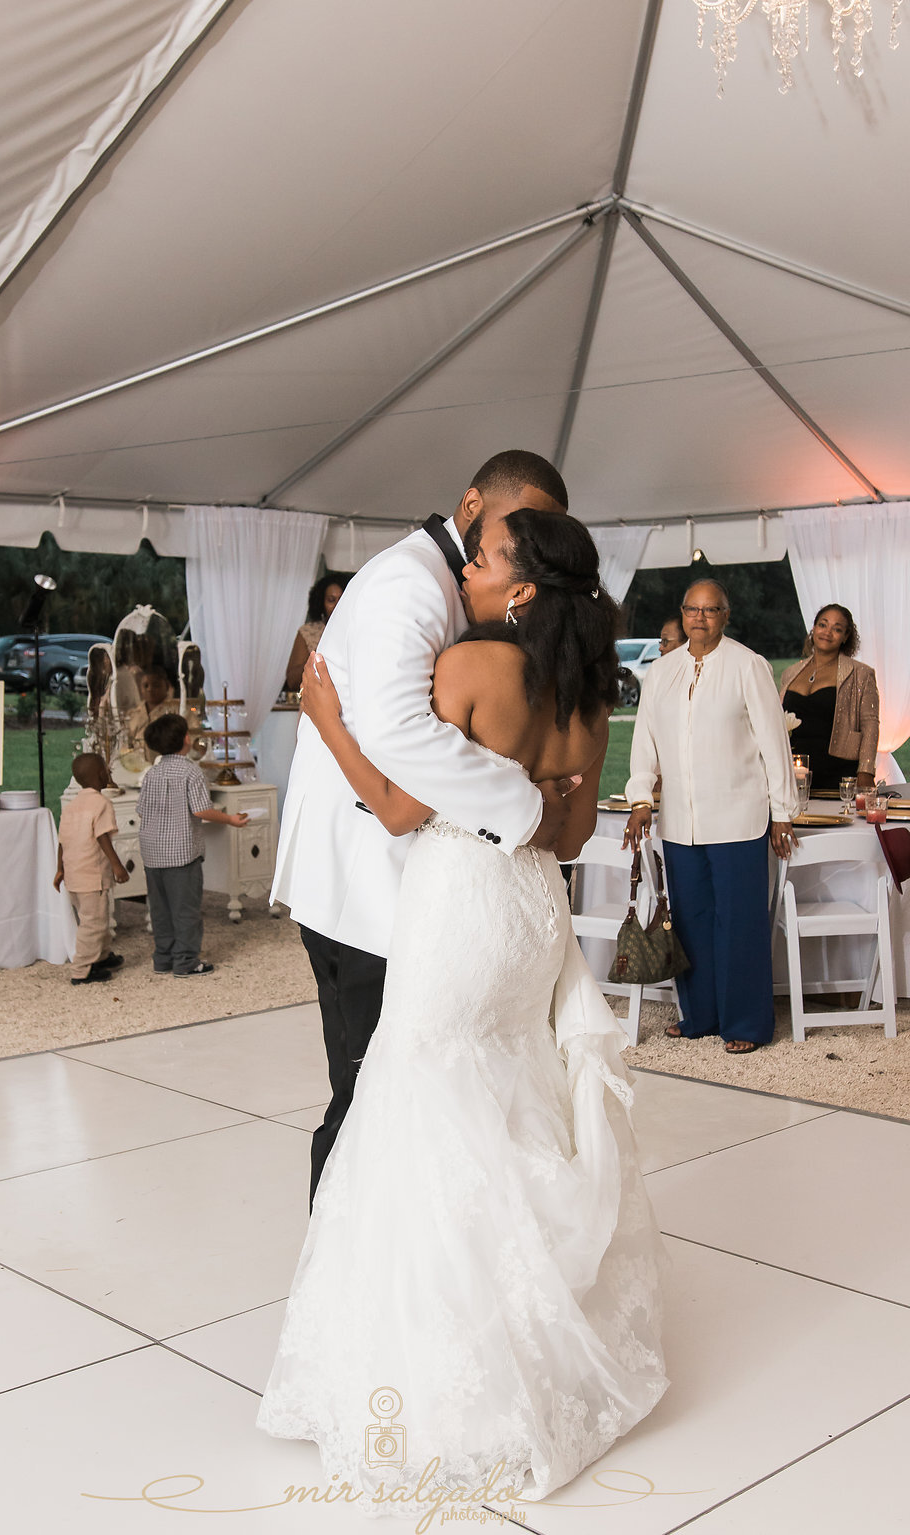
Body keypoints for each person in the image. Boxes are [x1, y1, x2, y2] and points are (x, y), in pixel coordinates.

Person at [257, 508, 668, 1508]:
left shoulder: (469, 669)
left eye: (484, 559)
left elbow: (399, 808)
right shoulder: (585, 693)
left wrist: (327, 719)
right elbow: (564, 833)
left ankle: (458, 1372)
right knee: (505, 1094)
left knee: (420, 1103)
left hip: (459, 911)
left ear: (520, 588)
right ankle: (535, 1332)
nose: (468, 569)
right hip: (532, 916)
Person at [271, 449, 576, 1207]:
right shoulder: (412, 580)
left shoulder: (467, 597)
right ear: (473, 505)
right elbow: (405, 739)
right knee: (369, 1091)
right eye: (517, 524)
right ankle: (339, 1273)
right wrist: (522, 804)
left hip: (427, 883)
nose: (525, 542)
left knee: (424, 1091)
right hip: (359, 872)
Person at [623, 580, 799, 1054]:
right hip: (680, 822)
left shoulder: (749, 666)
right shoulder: (661, 673)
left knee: (739, 921)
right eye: (692, 610)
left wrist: (783, 811)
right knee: (690, 920)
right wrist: (641, 798)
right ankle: (699, 1014)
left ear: (726, 615)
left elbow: (773, 743)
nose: (699, 618)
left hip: (739, 817)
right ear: (682, 614)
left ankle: (746, 1021)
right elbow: (645, 742)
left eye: (710, 610)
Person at [137, 713, 249, 976]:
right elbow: (201, 810)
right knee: (185, 909)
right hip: (181, 854)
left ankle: (163, 957)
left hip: (152, 852)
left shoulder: (152, 773)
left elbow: (142, 810)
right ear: (186, 739)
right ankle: (186, 960)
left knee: (160, 908)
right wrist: (230, 819)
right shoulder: (190, 771)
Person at [779, 604, 879, 792]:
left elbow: (870, 725)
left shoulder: (861, 674)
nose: (828, 632)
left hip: (839, 773)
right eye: (823, 625)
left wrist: (866, 772)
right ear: (814, 629)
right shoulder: (790, 673)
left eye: (837, 629)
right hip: (795, 775)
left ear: (845, 637)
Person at [54, 754, 130, 985]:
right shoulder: (101, 803)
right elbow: (102, 836)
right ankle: (82, 970)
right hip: (91, 876)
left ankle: (102, 957)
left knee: (98, 918)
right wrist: (117, 865)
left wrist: (59, 870)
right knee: (93, 923)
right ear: (102, 775)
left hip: (74, 875)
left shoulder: (71, 806)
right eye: (106, 770)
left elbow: (62, 841)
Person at [283, 571, 353, 692]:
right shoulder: (308, 632)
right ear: (321, 603)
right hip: (317, 703)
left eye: (342, 599)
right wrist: (318, 659)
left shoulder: (358, 629)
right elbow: (292, 681)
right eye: (331, 600)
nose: (337, 605)